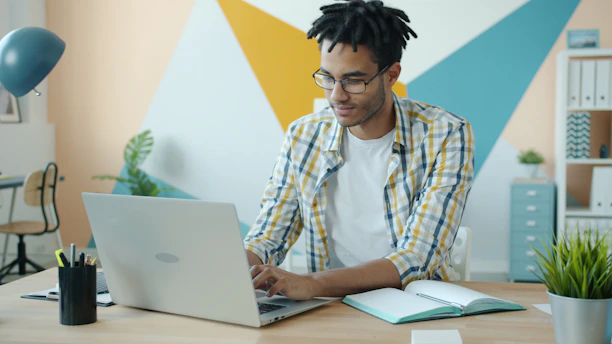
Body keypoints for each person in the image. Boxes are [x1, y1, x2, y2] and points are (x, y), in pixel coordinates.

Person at [244, 0, 475, 301]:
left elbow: (416, 257)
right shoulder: (303, 136)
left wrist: (311, 283)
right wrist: (237, 270)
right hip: (329, 305)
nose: (336, 95)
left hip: (417, 303)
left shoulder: (446, 134)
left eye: (353, 81)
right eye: (327, 78)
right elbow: (268, 236)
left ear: (391, 75)